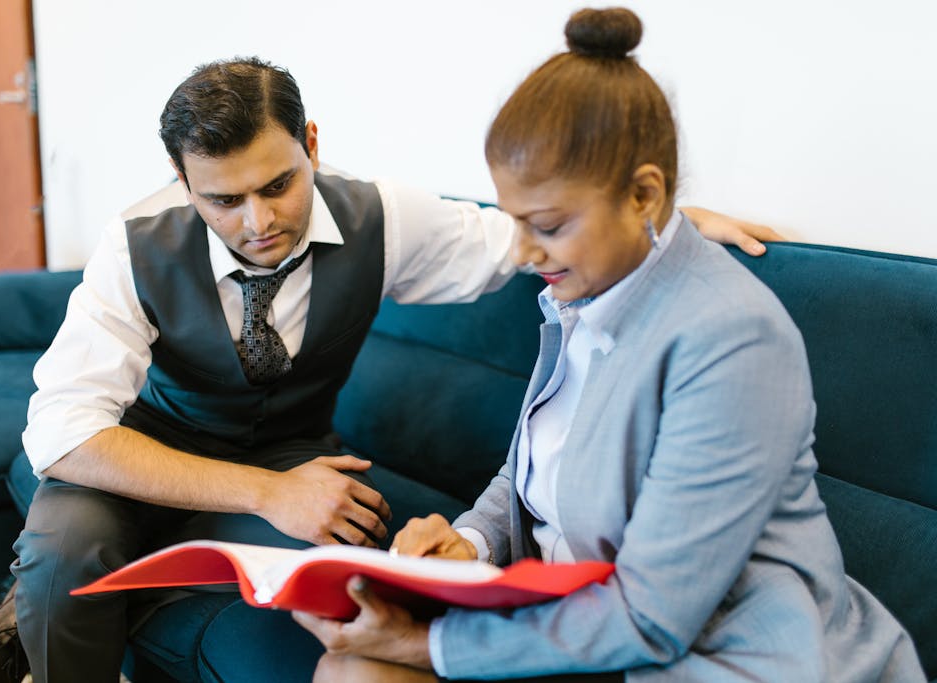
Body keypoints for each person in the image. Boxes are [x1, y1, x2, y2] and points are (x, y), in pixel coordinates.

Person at [0, 52, 776, 683]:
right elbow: (63, 433)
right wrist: (261, 493)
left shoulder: (383, 217)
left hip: (295, 454)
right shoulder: (132, 247)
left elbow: (514, 240)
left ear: (311, 144)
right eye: (223, 200)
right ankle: (42, 619)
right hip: (139, 451)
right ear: (183, 186)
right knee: (68, 550)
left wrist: (642, 217)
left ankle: (35, 612)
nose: (258, 221)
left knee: (356, 573)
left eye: (279, 184)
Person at [292, 8, 927, 683]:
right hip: (589, 619)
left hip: (721, 658)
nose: (526, 252)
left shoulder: (733, 340)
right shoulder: (585, 293)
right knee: (351, 661)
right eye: (514, 221)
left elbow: (654, 615)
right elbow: (534, 471)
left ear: (644, 196)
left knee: (363, 667)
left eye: (549, 226)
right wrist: (467, 542)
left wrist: (425, 645)